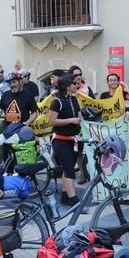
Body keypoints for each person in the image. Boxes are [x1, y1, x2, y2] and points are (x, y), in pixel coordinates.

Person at [49, 73, 83, 206]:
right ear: (68, 86)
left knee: (67, 169)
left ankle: (65, 196)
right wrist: (71, 120)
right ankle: (75, 201)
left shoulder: (74, 99)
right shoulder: (56, 101)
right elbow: (52, 121)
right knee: (70, 170)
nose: (77, 85)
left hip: (73, 140)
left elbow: (80, 117)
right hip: (61, 141)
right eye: (75, 83)